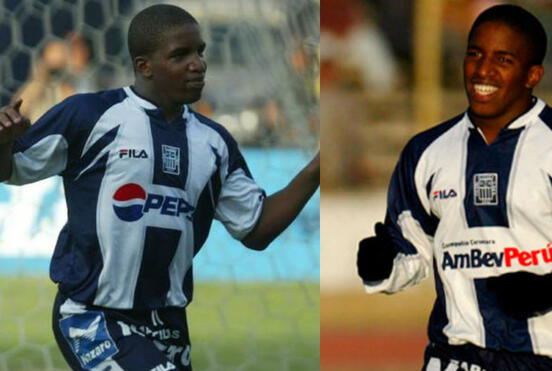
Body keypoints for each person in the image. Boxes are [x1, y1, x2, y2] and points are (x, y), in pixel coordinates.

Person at [0, 4, 319, 371]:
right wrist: (3, 143)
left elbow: (257, 229)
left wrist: (315, 170)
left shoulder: (214, 143)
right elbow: (13, 170)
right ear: (144, 65)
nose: (197, 64)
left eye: (199, 52)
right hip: (92, 316)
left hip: (168, 325)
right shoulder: (90, 116)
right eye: (180, 55)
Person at [357, 4, 552, 371]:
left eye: (503, 59)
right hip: (455, 360)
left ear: (532, 74)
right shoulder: (425, 152)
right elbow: (408, 248)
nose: (483, 70)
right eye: (475, 54)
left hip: (551, 362)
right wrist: (381, 264)